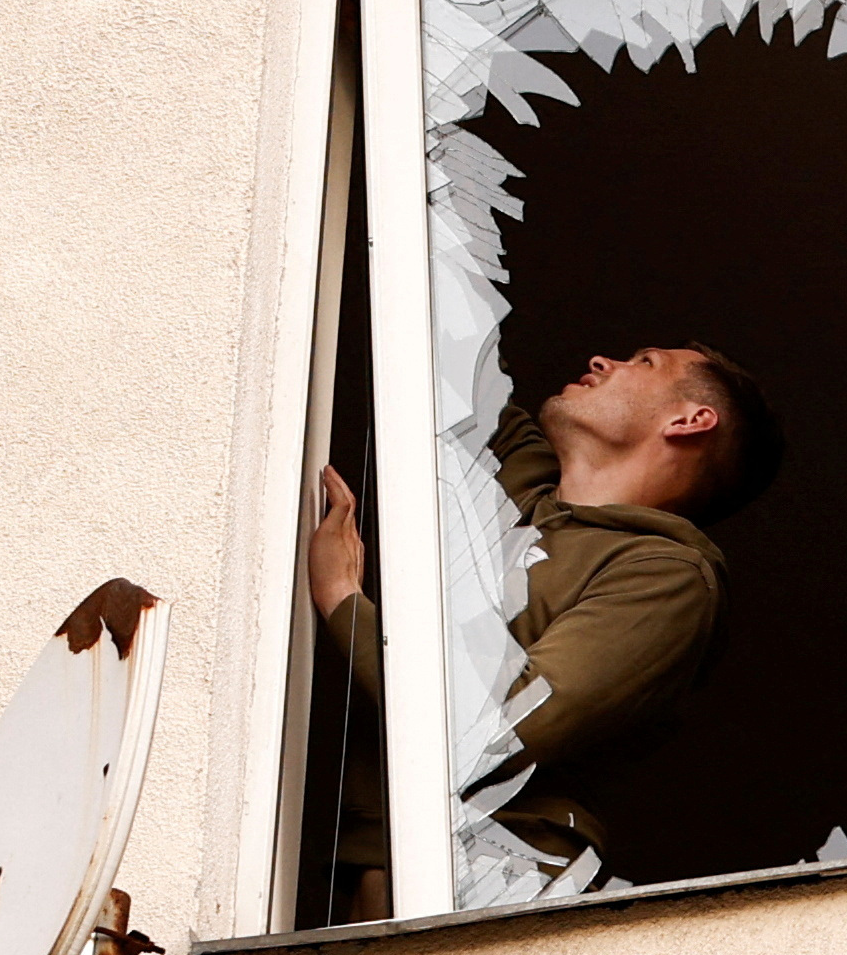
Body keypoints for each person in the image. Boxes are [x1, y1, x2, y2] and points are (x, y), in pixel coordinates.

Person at [309, 344, 783, 913]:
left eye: (646, 362)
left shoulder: (666, 574)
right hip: (366, 870)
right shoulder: (518, 492)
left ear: (689, 421)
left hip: (492, 888)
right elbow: (437, 339)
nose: (605, 360)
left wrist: (342, 597)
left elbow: (494, 725)